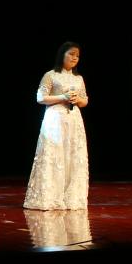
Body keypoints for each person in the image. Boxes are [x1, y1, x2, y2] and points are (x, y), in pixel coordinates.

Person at [23, 42, 89, 210]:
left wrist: (77, 99)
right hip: (55, 119)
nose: (75, 58)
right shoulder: (50, 75)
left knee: (73, 155)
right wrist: (63, 97)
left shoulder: (79, 78)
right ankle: (50, 197)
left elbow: (85, 101)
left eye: (77, 55)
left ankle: (71, 198)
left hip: (74, 120)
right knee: (54, 155)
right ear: (62, 55)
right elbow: (40, 98)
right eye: (71, 54)